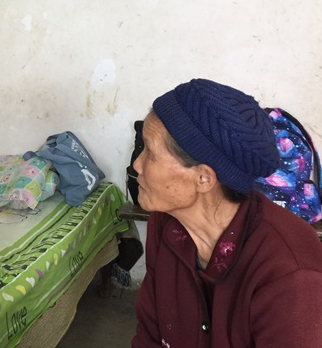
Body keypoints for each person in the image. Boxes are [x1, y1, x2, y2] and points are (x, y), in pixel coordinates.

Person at [132, 78, 322, 347]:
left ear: (203, 179)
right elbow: (149, 335)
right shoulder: (165, 222)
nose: (137, 165)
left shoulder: (289, 272)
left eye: (150, 153)